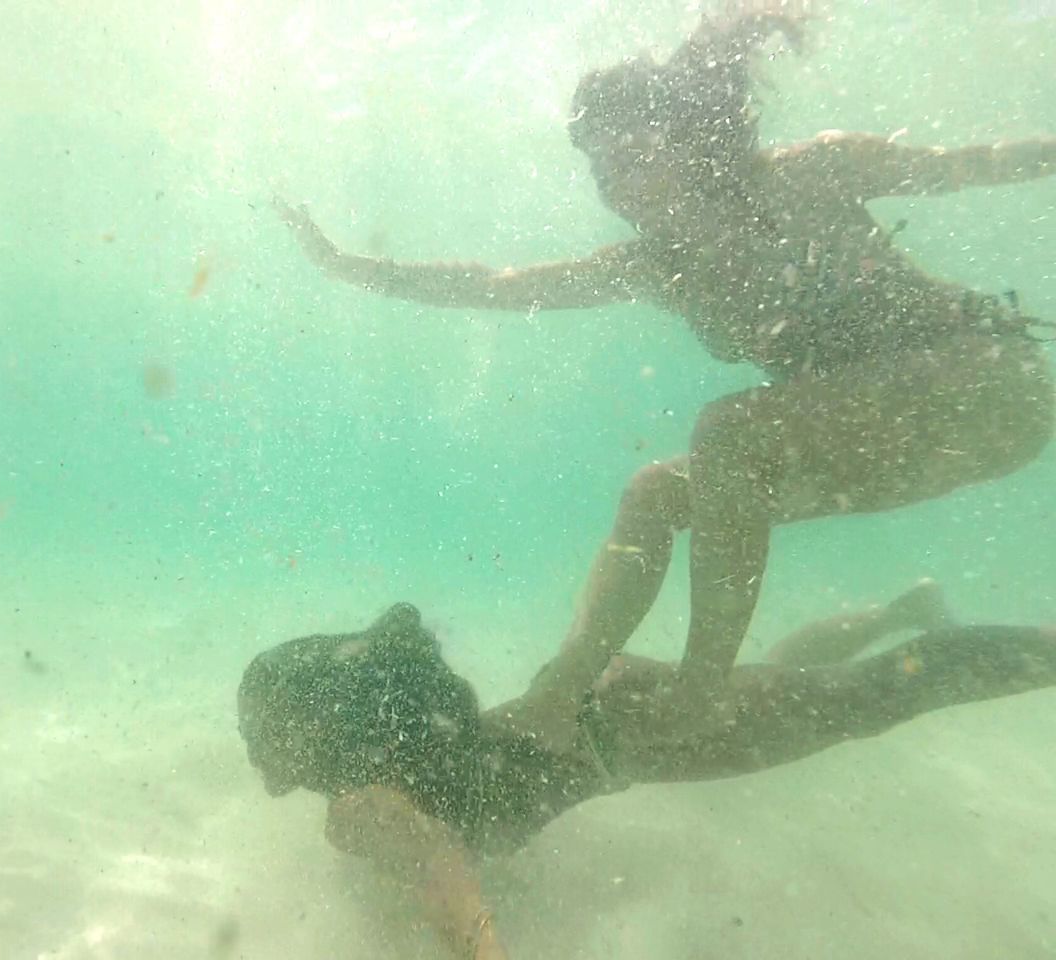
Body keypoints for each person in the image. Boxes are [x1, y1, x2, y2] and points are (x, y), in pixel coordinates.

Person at [274, 7, 1056, 746]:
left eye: (635, 157)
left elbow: (971, 166)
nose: (614, 183)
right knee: (654, 493)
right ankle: (559, 692)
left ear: (694, 142)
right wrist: (346, 267)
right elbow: (497, 283)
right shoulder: (660, 267)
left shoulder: (812, 171)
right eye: (600, 167)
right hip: (902, 438)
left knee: (730, 430)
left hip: (992, 388)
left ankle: (701, 690)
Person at [238, 592, 1056, 960]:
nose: (255, 753)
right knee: (799, 691)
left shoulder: (367, 805)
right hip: (620, 717)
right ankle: (900, 611)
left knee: (872, 699)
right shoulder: (403, 757)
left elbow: (449, 878)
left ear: (310, 730)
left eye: (262, 733)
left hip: (639, 730)